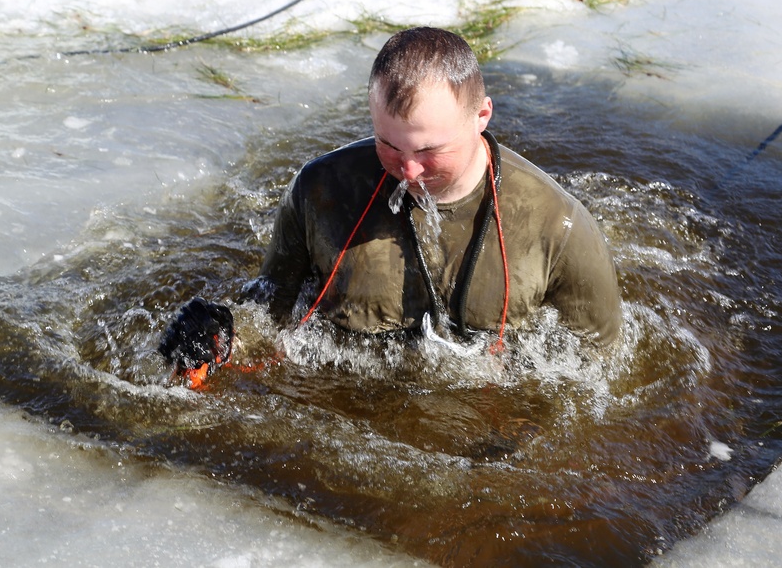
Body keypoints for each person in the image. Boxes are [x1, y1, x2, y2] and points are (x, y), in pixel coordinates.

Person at [161, 27, 621, 384]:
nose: (409, 170)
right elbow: (270, 314)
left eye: (429, 152)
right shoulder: (319, 193)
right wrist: (219, 334)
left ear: (481, 116)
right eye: (388, 145)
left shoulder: (558, 227)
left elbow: (598, 372)